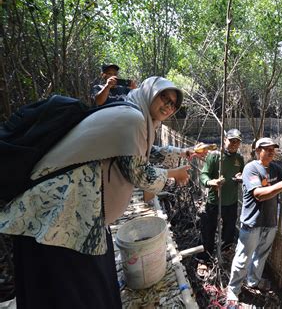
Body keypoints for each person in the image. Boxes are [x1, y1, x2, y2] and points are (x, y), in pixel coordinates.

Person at [0, 76, 206, 309]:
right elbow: (138, 173)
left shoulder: (134, 113)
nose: (168, 106)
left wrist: (184, 151)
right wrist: (174, 174)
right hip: (60, 214)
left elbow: (143, 153)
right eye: (164, 98)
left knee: (89, 285)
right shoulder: (134, 119)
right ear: (149, 92)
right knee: (75, 291)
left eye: (173, 104)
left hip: (80, 213)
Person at [225, 137, 282, 306]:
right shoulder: (251, 168)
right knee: (242, 258)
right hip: (252, 222)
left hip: (270, 221)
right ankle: (233, 290)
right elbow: (259, 194)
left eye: (273, 149)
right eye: (267, 149)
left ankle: (253, 281)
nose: (271, 152)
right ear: (257, 151)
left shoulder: (274, 168)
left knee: (261, 255)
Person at [196, 129, 245, 275]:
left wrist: (240, 177)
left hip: (231, 201)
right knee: (208, 229)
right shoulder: (214, 156)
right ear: (225, 140)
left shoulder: (239, 158)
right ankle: (204, 259)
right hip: (214, 200)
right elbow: (203, 175)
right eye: (231, 141)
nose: (234, 144)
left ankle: (224, 252)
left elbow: (242, 173)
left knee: (229, 230)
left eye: (237, 141)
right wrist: (211, 182)